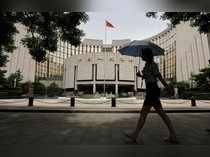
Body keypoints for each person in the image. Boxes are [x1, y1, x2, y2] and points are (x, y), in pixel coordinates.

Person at [124, 48, 178, 144]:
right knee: (160, 114)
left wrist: (168, 87)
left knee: (145, 113)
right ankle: (173, 135)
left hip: (152, 91)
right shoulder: (147, 65)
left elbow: (159, 77)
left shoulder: (153, 65)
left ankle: (134, 135)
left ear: (147, 55)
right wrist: (140, 75)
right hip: (150, 91)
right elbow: (149, 77)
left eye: (143, 55)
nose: (141, 56)